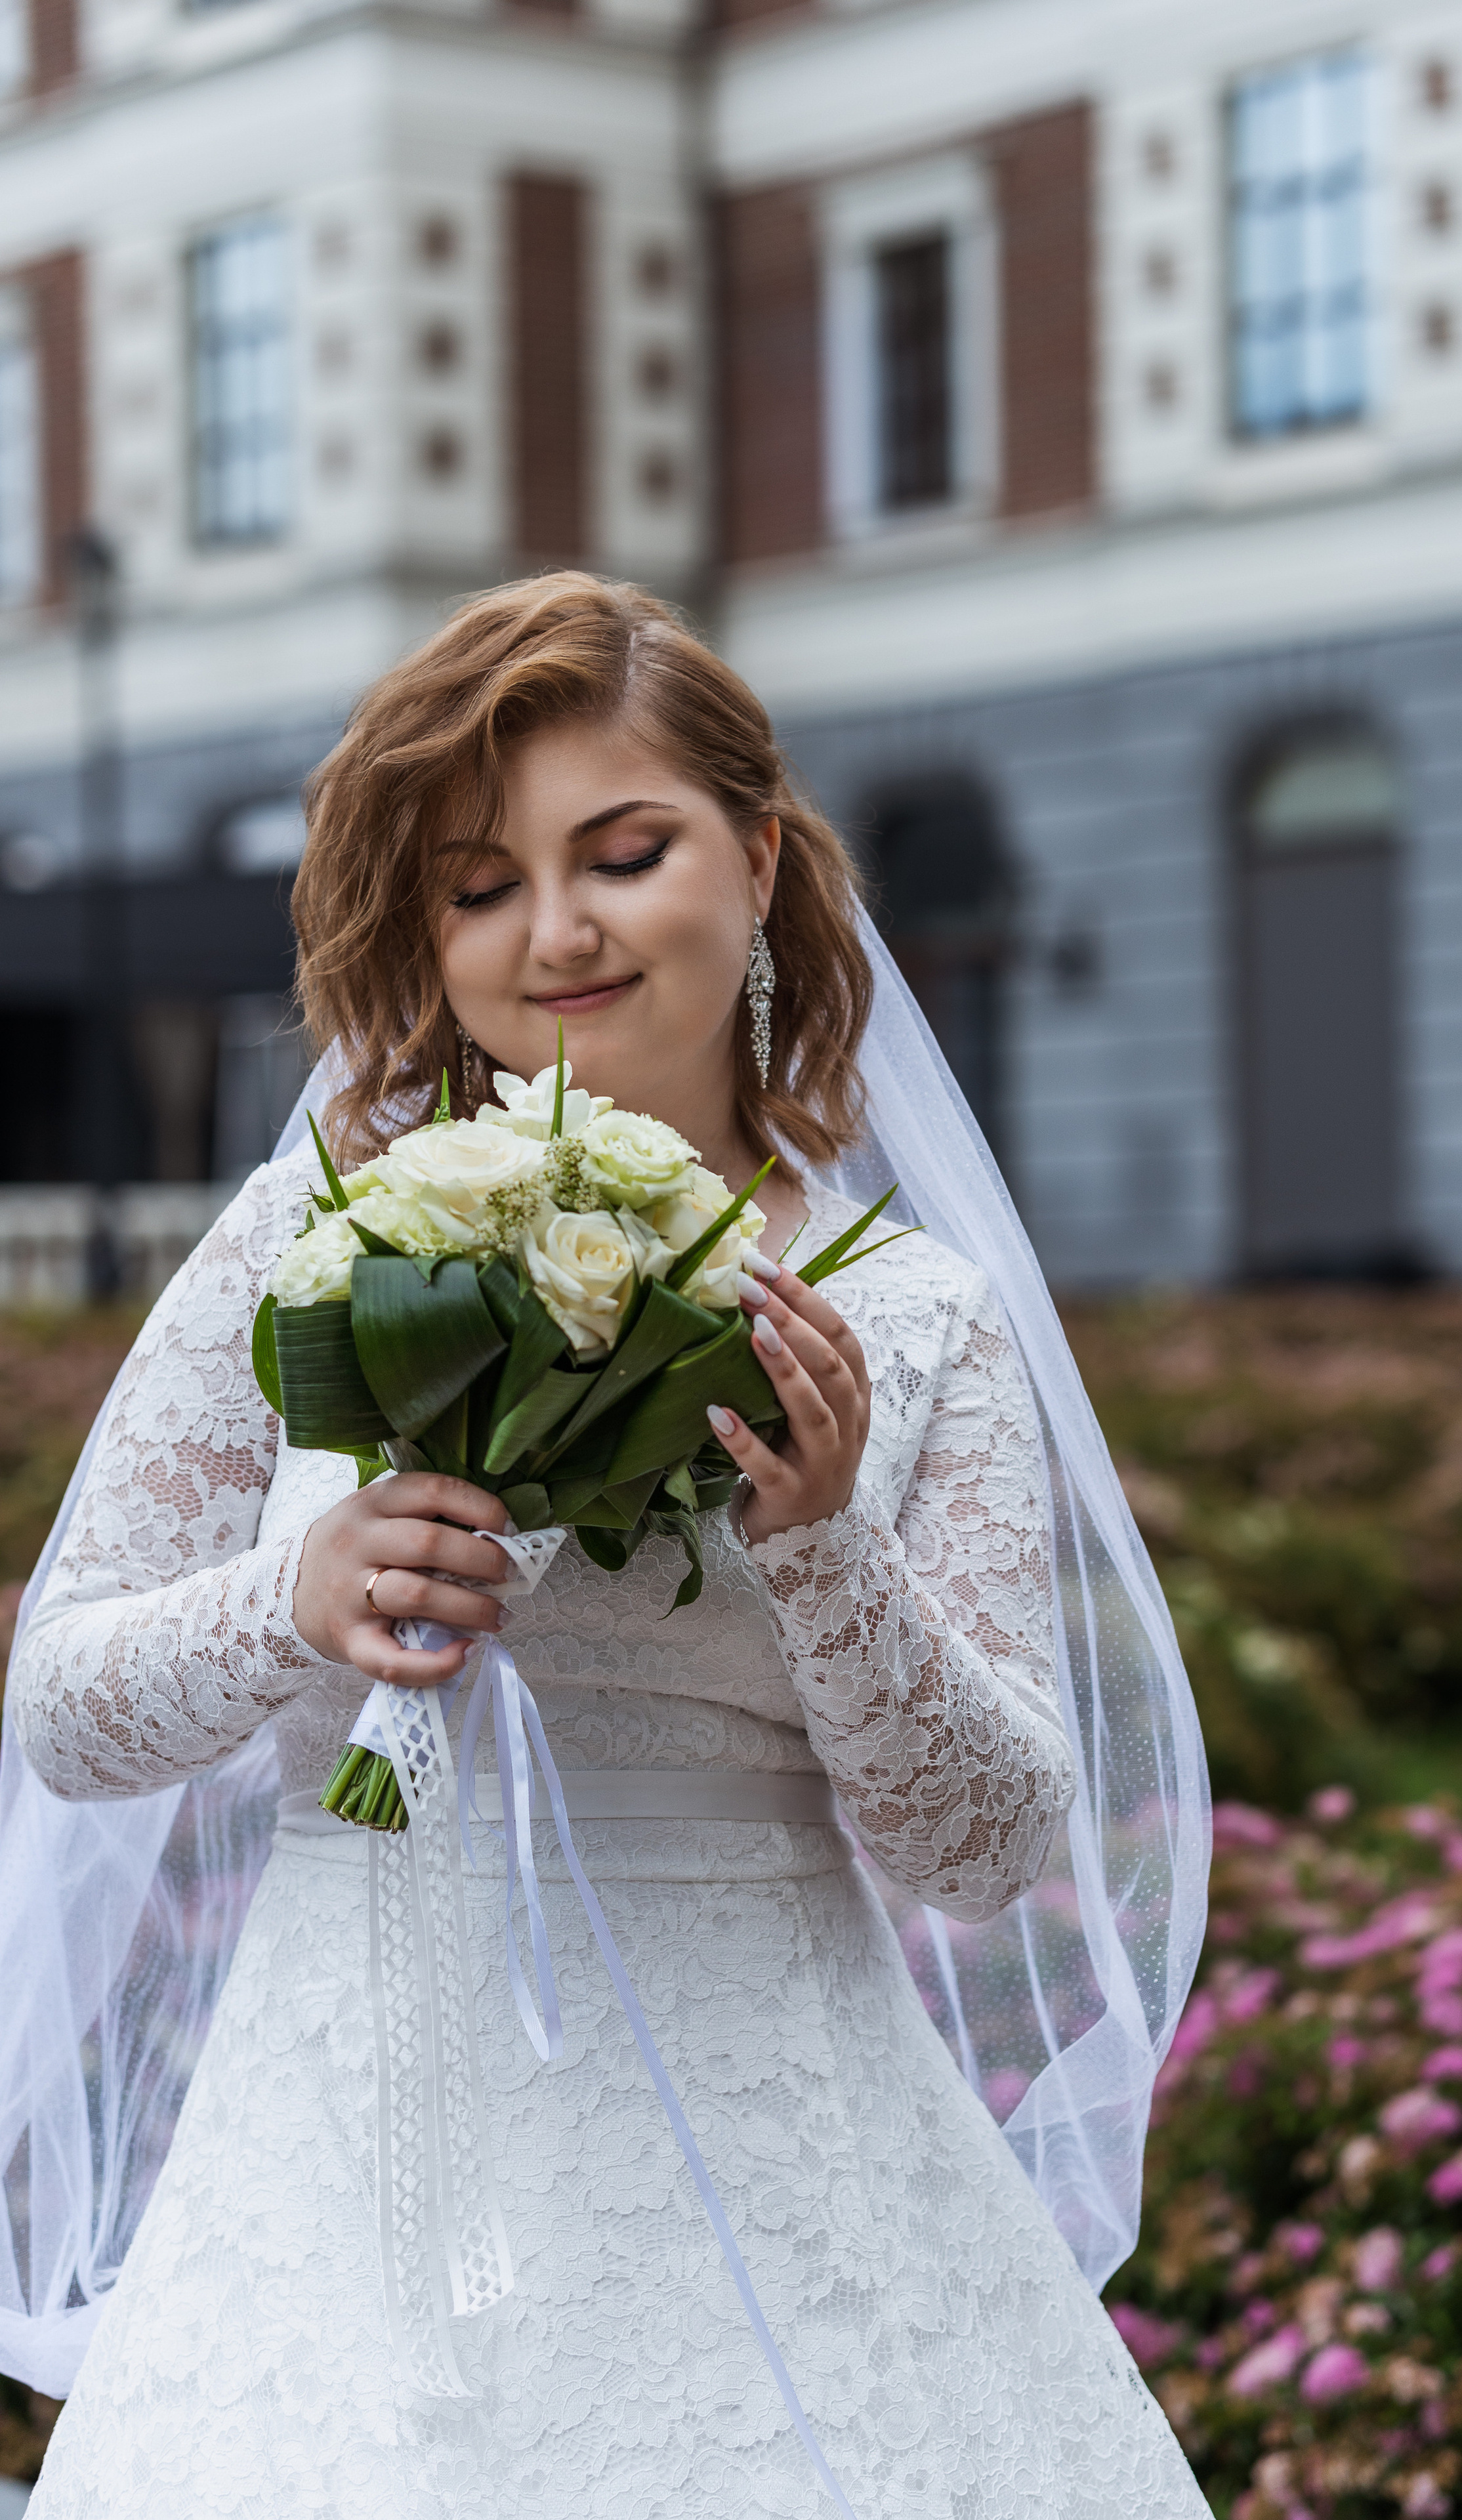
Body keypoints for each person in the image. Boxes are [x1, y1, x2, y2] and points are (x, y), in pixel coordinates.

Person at [7, 576, 1213, 2518]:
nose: (552, 933)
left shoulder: (912, 1321)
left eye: (621, 853)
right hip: (354, 2156)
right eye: (479, 886)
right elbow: (67, 1705)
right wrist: (294, 1599)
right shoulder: (307, 1241)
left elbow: (985, 1854)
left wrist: (825, 1549)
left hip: (784, 2160)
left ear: (753, 858)